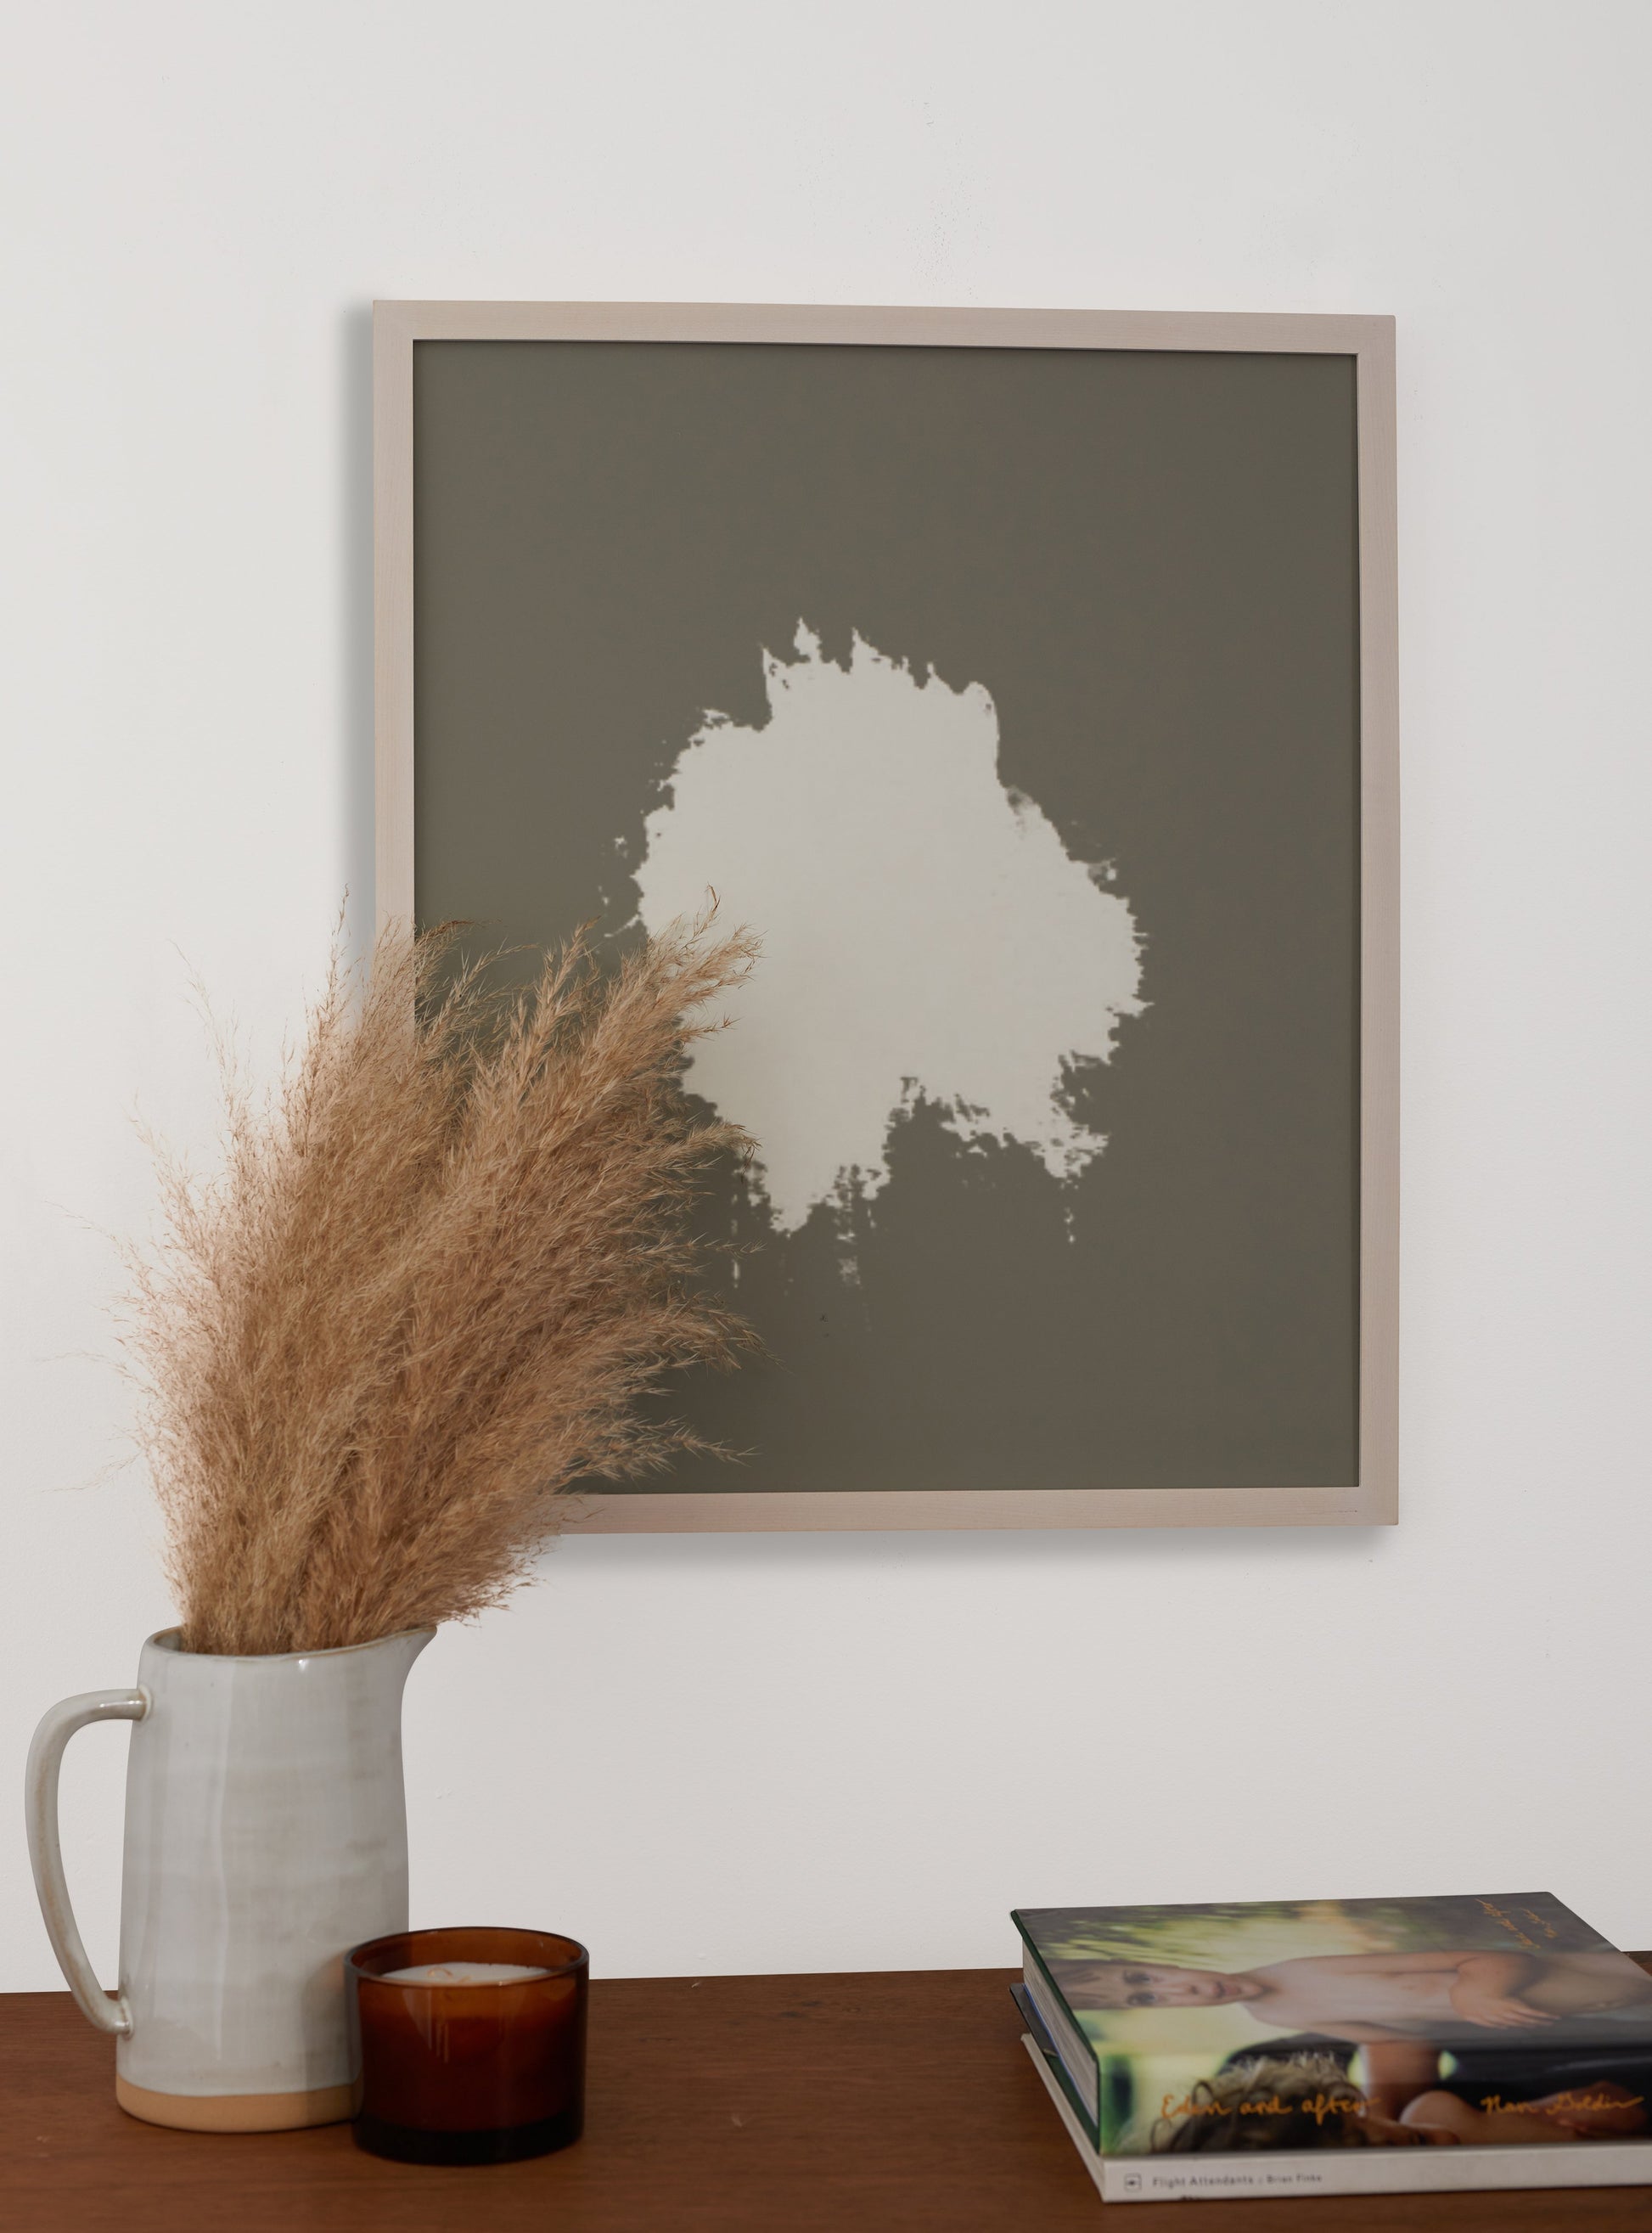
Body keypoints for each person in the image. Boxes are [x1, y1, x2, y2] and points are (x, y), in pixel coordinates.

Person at [1057, 1946, 1652, 2041]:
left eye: (1145, 1978)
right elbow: (1389, 2046)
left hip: (1619, 1977)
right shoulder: (1273, 2017)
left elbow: (1494, 1959)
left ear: (1151, 1959)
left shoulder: (1303, 1969)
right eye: (1149, 2000)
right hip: (1611, 2022)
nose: (1179, 1988)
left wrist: (1475, 1994)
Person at [1148, 2052, 1644, 2156]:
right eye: (1361, 2145)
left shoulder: (1431, 2112)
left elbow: (1615, 2104)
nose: (1384, 2135)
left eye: (1357, 2123)